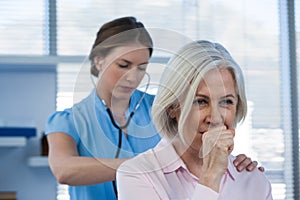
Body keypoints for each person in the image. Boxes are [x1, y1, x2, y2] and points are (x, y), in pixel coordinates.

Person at [45, 17, 263, 200]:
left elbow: (195, 151)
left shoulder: (159, 107)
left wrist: (232, 167)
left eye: (141, 67)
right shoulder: (68, 120)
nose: (133, 76)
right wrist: (147, 167)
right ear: (98, 60)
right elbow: (64, 171)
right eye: (123, 65)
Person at [117, 40, 273, 200]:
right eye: (201, 101)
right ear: (172, 107)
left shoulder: (253, 180)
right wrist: (211, 176)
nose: (215, 118)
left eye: (226, 102)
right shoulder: (137, 174)